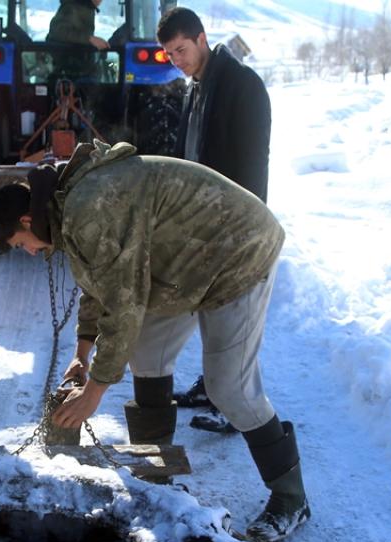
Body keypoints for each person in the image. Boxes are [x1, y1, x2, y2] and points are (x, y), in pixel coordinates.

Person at [0, 141, 311, 542]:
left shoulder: (88, 207)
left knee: (229, 387)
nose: (30, 254)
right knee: (146, 354)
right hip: (184, 263)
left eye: (20, 244)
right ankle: (157, 477)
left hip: (237, 252)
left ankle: (291, 497)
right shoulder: (67, 206)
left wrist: (94, 393)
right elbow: (98, 280)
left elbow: (124, 303)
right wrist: (82, 354)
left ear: (28, 219)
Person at [157, 7, 272, 435]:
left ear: (202, 39)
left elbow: (252, 162)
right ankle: (213, 387)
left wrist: (241, 226)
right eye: (169, 54)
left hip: (234, 223)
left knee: (235, 317)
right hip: (202, 220)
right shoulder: (196, 88)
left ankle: (235, 402)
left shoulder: (242, 86)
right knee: (212, 310)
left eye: (181, 50)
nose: (176, 60)